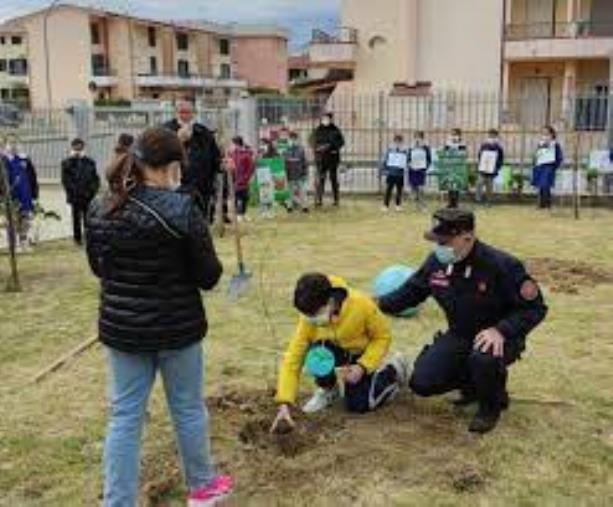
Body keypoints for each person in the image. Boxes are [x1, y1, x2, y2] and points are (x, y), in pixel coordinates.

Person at [85, 127, 233, 507]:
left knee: (125, 417)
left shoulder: (101, 206)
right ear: (169, 166)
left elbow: (99, 267)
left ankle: (118, 502)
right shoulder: (181, 208)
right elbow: (209, 275)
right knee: (185, 408)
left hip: (124, 332)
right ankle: (201, 487)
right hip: (176, 331)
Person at [377, 208, 548, 434]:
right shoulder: (436, 263)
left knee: (483, 358)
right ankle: (476, 385)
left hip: (499, 338)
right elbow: (409, 293)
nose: (440, 247)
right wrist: (374, 304)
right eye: (437, 241)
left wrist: (501, 330)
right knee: (422, 382)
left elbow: (535, 308)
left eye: (445, 242)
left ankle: (491, 406)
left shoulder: (502, 265)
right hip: (461, 334)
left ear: (468, 237)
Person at [271, 273, 409, 432]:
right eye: (308, 317)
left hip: (360, 356)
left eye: (315, 315)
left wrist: (362, 366)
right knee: (316, 354)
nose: (312, 320)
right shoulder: (309, 317)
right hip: (333, 351)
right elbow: (293, 358)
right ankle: (328, 389)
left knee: (360, 405)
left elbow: (382, 337)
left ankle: (394, 371)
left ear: (329, 302)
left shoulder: (361, 304)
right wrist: (284, 402)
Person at [164, 100, 221, 221]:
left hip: (202, 185)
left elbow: (215, 156)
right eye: (181, 112)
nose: (184, 115)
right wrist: (177, 140)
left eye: (188, 112)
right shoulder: (166, 131)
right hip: (176, 185)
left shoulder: (203, 132)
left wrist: (223, 165)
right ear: (176, 113)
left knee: (201, 219)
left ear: (193, 113)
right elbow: (160, 155)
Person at [1, 135, 39, 252]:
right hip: (10, 195)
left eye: (15, 143)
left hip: (25, 194)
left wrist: (34, 194)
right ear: (5, 145)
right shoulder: (3, 160)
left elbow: (33, 178)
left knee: (25, 219)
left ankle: (23, 242)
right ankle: (14, 243)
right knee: (12, 219)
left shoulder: (24, 159)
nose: (13, 145)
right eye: (10, 143)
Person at [61, 138, 100, 246]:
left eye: (80, 147)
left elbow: (95, 178)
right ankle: (77, 239)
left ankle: (89, 237)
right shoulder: (67, 162)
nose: (78, 149)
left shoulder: (90, 162)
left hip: (88, 195)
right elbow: (66, 180)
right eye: (76, 147)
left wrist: (92, 190)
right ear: (72, 147)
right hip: (75, 196)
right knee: (76, 218)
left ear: (83, 147)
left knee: (88, 218)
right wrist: (73, 191)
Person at [313, 112, 345, 207]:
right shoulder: (318, 130)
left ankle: (336, 199)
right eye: (323, 118)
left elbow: (341, 142)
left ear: (330, 119)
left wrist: (332, 147)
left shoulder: (335, 130)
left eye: (327, 118)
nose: (325, 120)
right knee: (321, 179)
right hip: (321, 159)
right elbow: (312, 142)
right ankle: (319, 199)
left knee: (333, 179)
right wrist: (319, 148)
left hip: (333, 158)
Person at [532, 125, 563, 209]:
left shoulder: (555, 144)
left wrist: (554, 166)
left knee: (546, 185)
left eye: (547, 133)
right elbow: (536, 155)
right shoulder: (540, 144)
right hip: (540, 166)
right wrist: (535, 162)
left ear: (552, 134)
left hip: (549, 167)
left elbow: (559, 157)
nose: (545, 135)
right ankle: (541, 204)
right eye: (543, 133)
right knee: (540, 186)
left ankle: (547, 203)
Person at [227, 136, 255, 221]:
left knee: (244, 197)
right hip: (234, 179)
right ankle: (237, 214)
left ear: (237, 144)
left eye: (233, 144)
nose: (231, 146)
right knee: (235, 197)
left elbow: (250, 167)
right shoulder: (232, 154)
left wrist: (246, 177)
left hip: (243, 180)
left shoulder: (246, 154)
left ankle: (243, 213)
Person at [380, 134, 409, 212]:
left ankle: (398, 205)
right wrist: (384, 168)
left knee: (399, 190)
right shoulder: (390, 149)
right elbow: (386, 158)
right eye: (396, 141)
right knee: (389, 189)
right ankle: (386, 205)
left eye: (399, 141)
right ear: (394, 141)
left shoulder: (405, 150)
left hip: (400, 173)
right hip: (391, 172)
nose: (398, 143)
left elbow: (407, 159)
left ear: (402, 142)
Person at [476, 129, 505, 206]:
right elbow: (480, 154)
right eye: (490, 134)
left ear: (496, 136)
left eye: (493, 135)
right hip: (483, 167)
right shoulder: (484, 144)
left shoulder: (498, 146)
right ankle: (479, 198)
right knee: (479, 182)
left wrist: (498, 167)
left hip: (492, 168)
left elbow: (501, 158)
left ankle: (488, 201)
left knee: (489, 186)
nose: (491, 136)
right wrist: (480, 164)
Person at [283, 131, 310, 213]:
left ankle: (304, 207)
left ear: (297, 139)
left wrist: (305, 173)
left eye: (294, 139)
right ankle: (289, 207)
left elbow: (304, 162)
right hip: (290, 174)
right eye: (291, 139)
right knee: (289, 191)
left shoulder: (301, 150)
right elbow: (284, 162)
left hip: (300, 174)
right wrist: (285, 173)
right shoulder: (286, 150)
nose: (292, 140)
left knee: (302, 191)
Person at [443, 128, 468, 208]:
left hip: (458, 166)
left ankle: (456, 202)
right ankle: (450, 202)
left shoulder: (462, 144)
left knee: (457, 185)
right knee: (450, 185)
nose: (453, 136)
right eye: (452, 134)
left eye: (455, 134)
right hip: (450, 166)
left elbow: (463, 154)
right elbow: (444, 153)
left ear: (459, 135)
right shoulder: (448, 143)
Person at [408, 131, 432, 209]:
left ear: (422, 138)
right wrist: (408, 163)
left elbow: (429, 159)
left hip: (421, 169)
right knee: (414, 188)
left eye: (419, 137)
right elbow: (408, 157)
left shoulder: (425, 147)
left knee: (421, 188)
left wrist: (425, 167)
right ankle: (417, 204)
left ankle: (423, 205)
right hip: (412, 169)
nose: (417, 139)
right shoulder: (411, 147)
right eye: (415, 137)